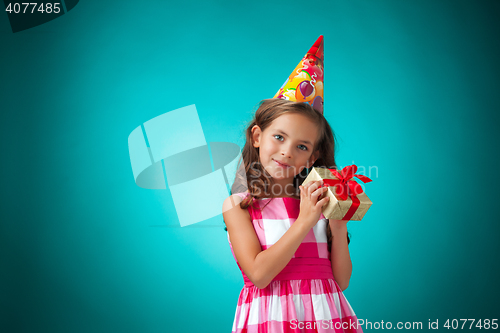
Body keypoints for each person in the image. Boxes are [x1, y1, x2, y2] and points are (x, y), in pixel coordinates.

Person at [222, 98, 363, 333]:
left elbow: (341, 282)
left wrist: (338, 228)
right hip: (271, 316)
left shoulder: (319, 202)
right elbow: (259, 275)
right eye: (279, 137)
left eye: (302, 146)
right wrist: (305, 220)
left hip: (325, 316)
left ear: (312, 157)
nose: (287, 152)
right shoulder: (238, 205)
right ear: (257, 136)